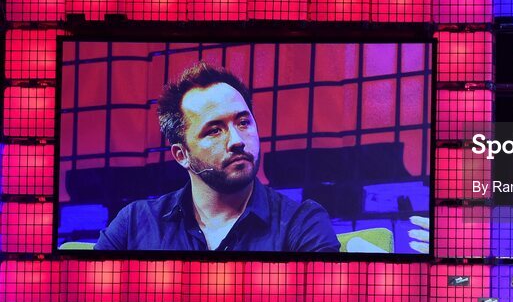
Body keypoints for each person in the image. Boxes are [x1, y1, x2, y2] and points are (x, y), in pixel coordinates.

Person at [94, 62, 338, 252]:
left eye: (243, 122)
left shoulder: (302, 223)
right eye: (214, 130)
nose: (237, 141)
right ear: (182, 155)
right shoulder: (135, 224)